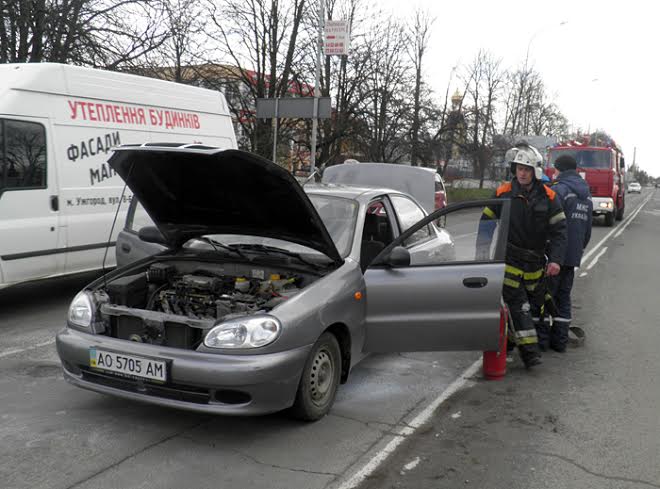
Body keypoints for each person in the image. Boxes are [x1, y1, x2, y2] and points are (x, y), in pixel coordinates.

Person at [477, 143, 567, 368]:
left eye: (526, 169)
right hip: (510, 262)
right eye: (519, 168)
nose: (522, 173)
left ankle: (507, 345)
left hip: (536, 265)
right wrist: (481, 257)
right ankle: (530, 354)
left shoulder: (549, 197)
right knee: (519, 307)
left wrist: (555, 259)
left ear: (535, 171)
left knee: (532, 309)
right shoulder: (502, 193)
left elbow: (559, 232)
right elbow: (486, 226)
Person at [542, 154, 592, 352]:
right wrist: (578, 249)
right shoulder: (586, 195)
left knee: (546, 298)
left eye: (555, 169)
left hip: (554, 255)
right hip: (572, 256)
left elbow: (548, 224)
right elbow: (587, 230)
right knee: (563, 298)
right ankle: (560, 342)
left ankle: (543, 341)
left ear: (559, 169)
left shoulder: (558, 190)